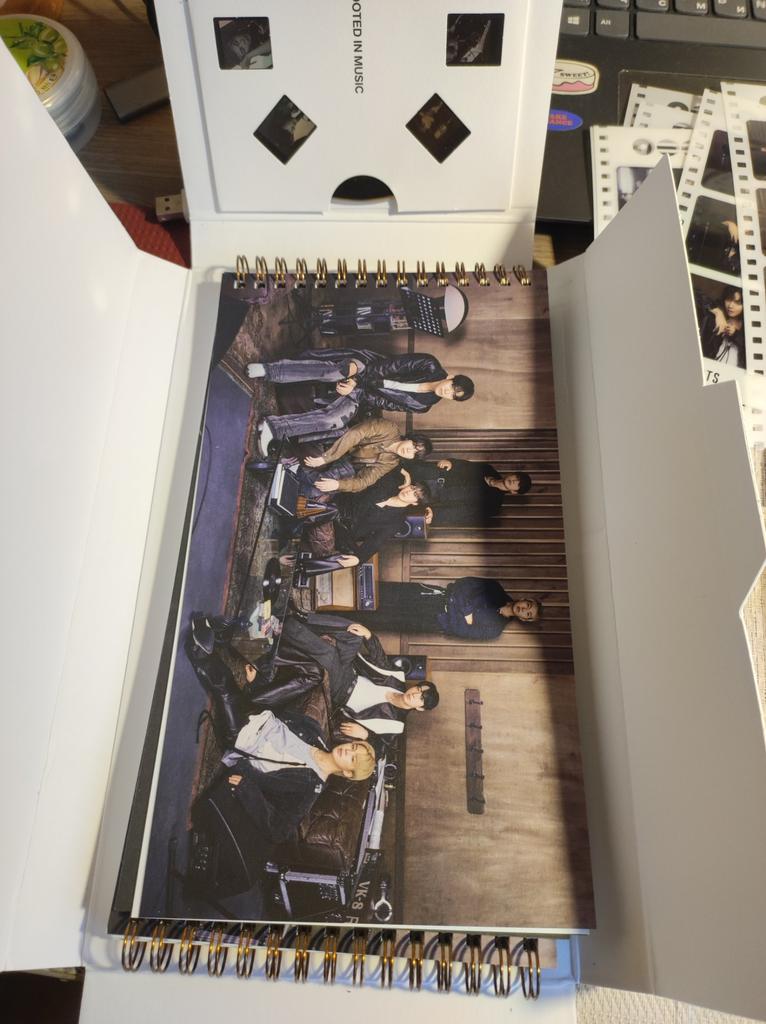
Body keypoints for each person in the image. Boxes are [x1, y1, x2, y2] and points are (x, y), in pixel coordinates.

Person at [186, 613, 376, 849]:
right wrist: (258, 686)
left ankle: (199, 649)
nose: (349, 750)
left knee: (226, 688)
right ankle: (239, 638)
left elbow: (279, 830)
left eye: (353, 758)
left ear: (347, 773)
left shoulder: (309, 788)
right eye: (354, 747)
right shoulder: (316, 734)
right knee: (313, 673)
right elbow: (280, 711)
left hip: (244, 738)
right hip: (261, 714)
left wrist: (247, 790)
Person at [253, 613, 439, 743]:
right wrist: (369, 636)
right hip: (350, 672)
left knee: (329, 654)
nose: (415, 694)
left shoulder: (395, 725)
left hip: (341, 693)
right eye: (419, 689)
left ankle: (277, 626)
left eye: (421, 698)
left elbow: (380, 750)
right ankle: (301, 618)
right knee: (354, 634)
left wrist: (366, 735)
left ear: (420, 708)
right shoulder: (397, 680)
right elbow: (380, 659)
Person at [246, 348, 474, 447]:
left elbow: (382, 402)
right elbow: (385, 367)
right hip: (365, 366)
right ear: (450, 377)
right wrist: (356, 381)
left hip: (363, 393)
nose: (448, 392)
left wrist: (355, 391)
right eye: (452, 387)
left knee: (333, 420)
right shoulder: (429, 364)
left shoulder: (423, 406)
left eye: (453, 396)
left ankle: (273, 427)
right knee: (336, 372)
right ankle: (270, 370)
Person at [300, 467, 433, 575]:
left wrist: (359, 558)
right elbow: (390, 464)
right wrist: (405, 473)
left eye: (415, 495)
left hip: (345, 529)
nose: (409, 492)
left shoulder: (396, 521)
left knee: (352, 558)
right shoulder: (390, 483)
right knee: (333, 510)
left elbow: (377, 541)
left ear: (415, 503)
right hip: (340, 504)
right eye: (412, 488)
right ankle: (297, 511)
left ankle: (302, 569)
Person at [344, 577, 542, 640]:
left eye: (528, 614)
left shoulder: (494, 630)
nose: (524, 610)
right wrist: (466, 613)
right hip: (434, 596)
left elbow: (460, 630)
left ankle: (334, 617)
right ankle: (332, 594)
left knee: (381, 620)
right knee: (379, 593)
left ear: (524, 620)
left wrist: (458, 605)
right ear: (524, 599)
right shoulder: (495, 588)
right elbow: (462, 585)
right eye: (528, 605)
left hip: (433, 621)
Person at [297, 419, 432, 497]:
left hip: (349, 461)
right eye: (413, 445)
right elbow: (357, 433)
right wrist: (326, 458)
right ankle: (293, 468)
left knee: (318, 488)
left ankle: (290, 472)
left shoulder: (391, 462)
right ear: (409, 438)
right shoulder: (390, 429)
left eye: (414, 453)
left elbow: (365, 481)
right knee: (337, 434)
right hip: (342, 438)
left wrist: (338, 484)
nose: (409, 450)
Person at [409, 458, 531, 527]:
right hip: (435, 476)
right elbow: (465, 465)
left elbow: (463, 513)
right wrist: (452, 463)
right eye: (517, 477)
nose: (514, 481)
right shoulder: (488, 469)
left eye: (518, 484)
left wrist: (436, 515)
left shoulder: (494, 505)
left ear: (514, 492)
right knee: (407, 471)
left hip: (435, 499)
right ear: (512, 474)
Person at [698, 285, 745, 369]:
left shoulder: (748, 325)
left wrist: (735, 334)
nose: (730, 305)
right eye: (728, 299)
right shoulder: (716, 317)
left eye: (737, 302)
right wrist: (718, 312)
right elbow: (695, 293)